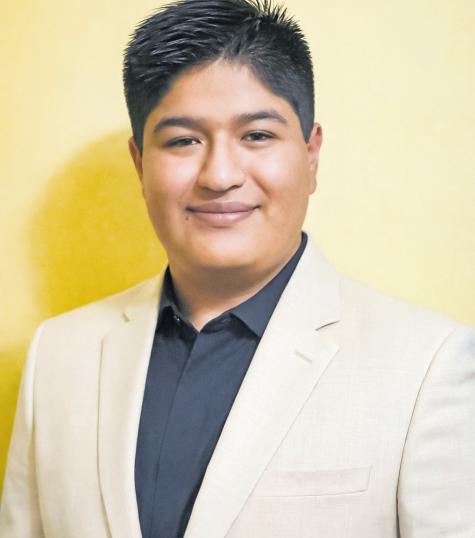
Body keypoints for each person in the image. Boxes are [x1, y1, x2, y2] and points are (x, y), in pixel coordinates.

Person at [1, 0, 474, 536]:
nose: (220, 175)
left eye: (257, 135)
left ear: (311, 154)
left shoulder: (429, 367)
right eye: (183, 140)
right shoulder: (57, 355)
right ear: (139, 163)